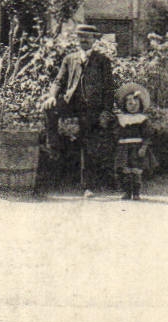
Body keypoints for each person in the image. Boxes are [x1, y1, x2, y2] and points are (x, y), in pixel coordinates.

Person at [45, 23, 115, 195]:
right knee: (49, 108)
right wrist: (52, 96)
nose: (84, 40)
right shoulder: (70, 59)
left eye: (87, 37)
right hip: (71, 102)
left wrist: (106, 110)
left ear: (94, 40)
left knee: (87, 139)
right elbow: (59, 81)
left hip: (92, 107)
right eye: (80, 37)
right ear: (77, 39)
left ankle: (87, 186)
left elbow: (108, 88)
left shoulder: (102, 61)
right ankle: (52, 144)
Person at [114, 83, 152, 201]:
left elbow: (147, 135)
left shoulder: (142, 119)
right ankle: (126, 192)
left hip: (136, 147)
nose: (133, 106)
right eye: (129, 104)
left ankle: (136, 192)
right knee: (125, 171)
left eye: (136, 104)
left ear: (140, 104)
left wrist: (143, 147)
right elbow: (116, 132)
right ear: (125, 105)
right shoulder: (121, 119)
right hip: (123, 148)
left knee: (136, 171)